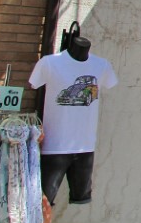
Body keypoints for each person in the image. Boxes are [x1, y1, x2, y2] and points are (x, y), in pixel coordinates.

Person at [29, 34, 118, 205]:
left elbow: (110, 83)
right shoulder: (49, 63)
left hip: (85, 146)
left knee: (78, 196)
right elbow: (34, 84)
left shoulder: (101, 66)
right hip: (54, 146)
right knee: (42, 203)